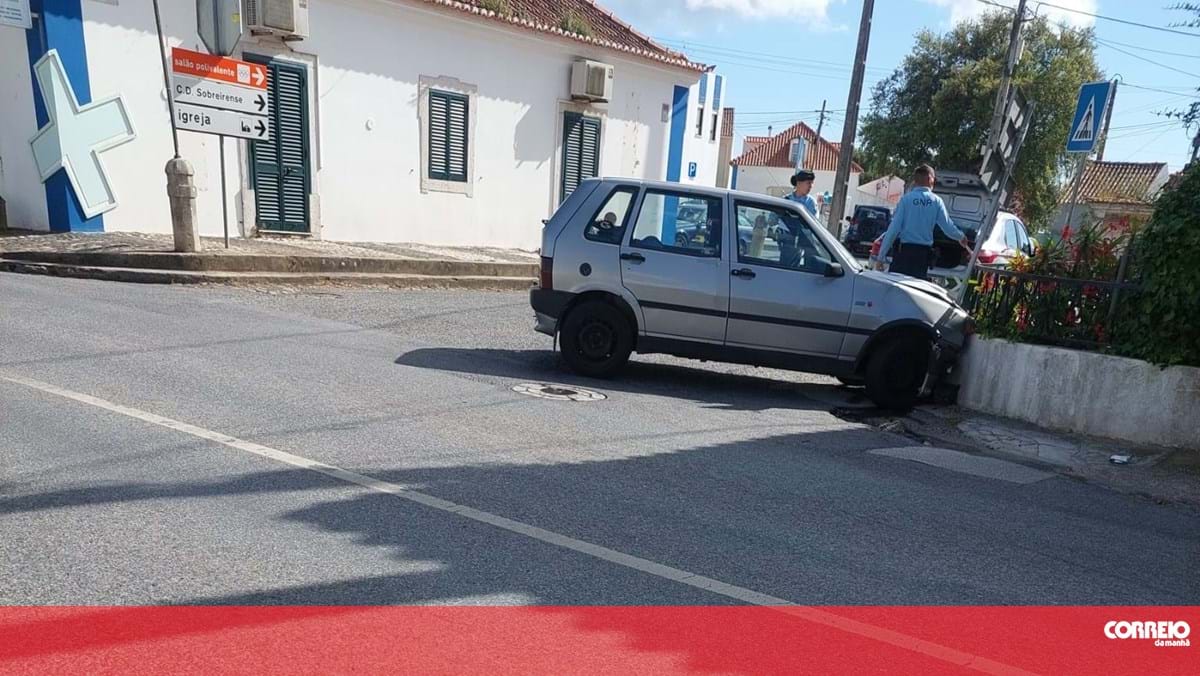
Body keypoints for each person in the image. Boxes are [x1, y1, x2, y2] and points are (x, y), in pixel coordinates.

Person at [874, 164, 969, 280]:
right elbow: (948, 227)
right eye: (934, 179)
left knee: (897, 290)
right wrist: (960, 237)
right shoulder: (936, 201)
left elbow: (893, 229)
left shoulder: (906, 200)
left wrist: (881, 257)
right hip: (922, 256)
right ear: (929, 179)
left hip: (904, 253)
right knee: (915, 291)